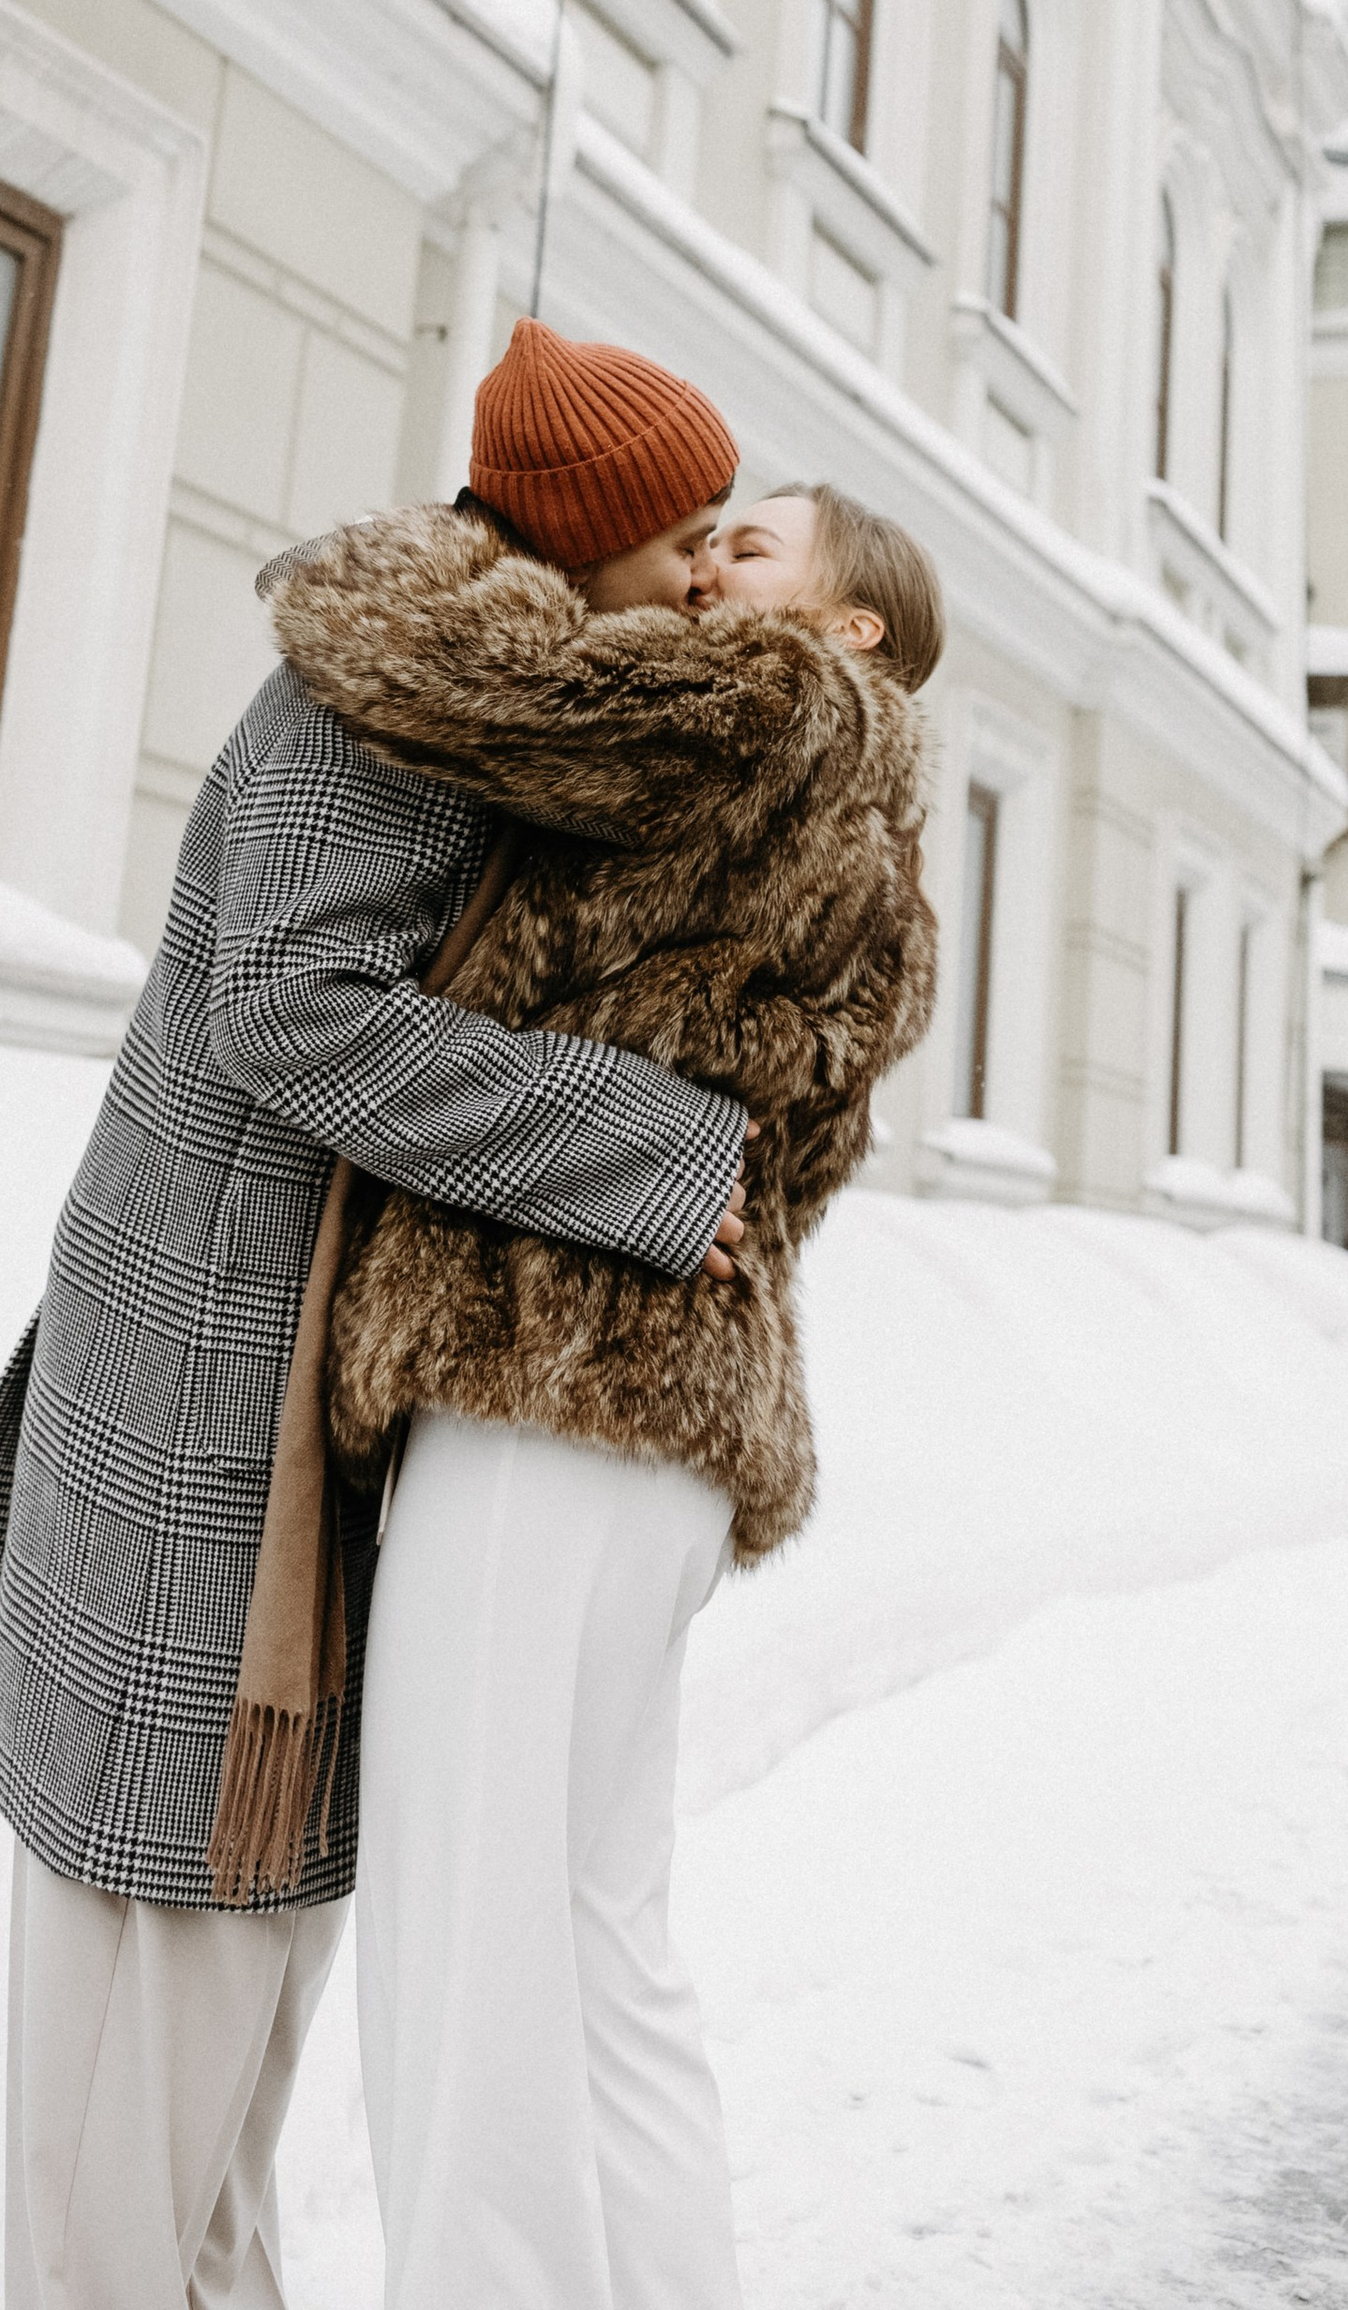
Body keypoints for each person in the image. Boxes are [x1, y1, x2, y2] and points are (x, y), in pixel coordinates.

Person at [0, 319, 758, 2310]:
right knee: (149, 2051)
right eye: (684, 534)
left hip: (251, 1392)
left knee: (198, 2059)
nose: (705, 570)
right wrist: (648, 1146)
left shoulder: (467, 689)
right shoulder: (384, 711)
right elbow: (290, 1010)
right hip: (211, 1400)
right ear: (576, 536)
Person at [261, 467, 943, 2310]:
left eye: (751, 543)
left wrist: (404, 559)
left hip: (553, 1376)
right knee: (594, 1933)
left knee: (463, 1919)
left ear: (850, 622)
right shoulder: (865, 797)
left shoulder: (761, 708)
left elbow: (457, 681)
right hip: (664, 1408)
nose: (703, 561)